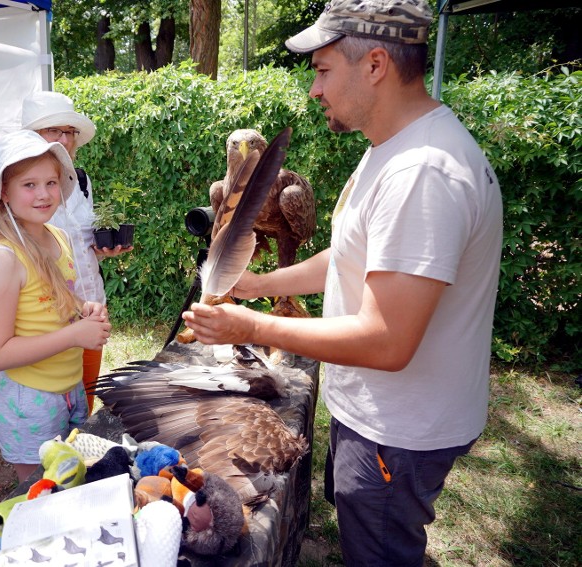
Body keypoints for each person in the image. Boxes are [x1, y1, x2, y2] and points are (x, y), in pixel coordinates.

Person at [182, 0, 503, 564]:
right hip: (381, 416)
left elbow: (387, 340)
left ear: (375, 63)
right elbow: (352, 255)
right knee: (365, 531)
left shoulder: (422, 174)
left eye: (323, 70)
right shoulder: (395, 150)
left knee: (377, 549)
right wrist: (256, 284)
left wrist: (251, 324)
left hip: (398, 428)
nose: (314, 89)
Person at [0, 91, 128, 414]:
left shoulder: (77, 180)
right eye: (53, 131)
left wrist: (101, 252)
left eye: (69, 132)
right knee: (48, 430)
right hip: (40, 326)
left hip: (87, 309)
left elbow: (75, 244)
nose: (64, 139)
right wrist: (21, 263)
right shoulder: (9, 181)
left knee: (80, 410)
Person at [0, 129, 111, 483]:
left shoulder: (59, 237)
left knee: (76, 481)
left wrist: (85, 309)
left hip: (70, 388)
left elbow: (56, 301)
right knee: (42, 492)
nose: (44, 194)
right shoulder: (4, 257)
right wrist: (73, 337)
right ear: (4, 191)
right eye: (29, 185)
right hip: (29, 402)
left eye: (51, 182)